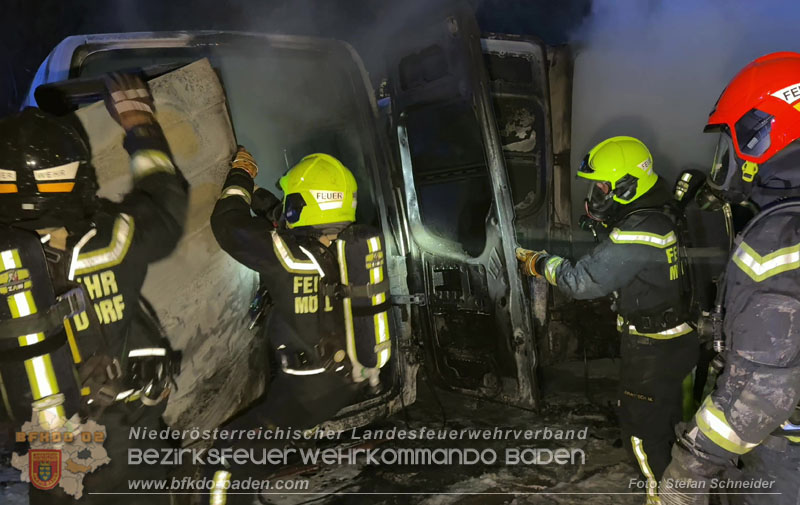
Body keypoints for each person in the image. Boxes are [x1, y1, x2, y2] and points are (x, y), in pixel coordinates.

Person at [0, 73, 188, 504]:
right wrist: (139, 123)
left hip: (47, 461)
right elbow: (166, 201)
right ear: (76, 176)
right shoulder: (114, 239)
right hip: (125, 446)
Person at [516, 136, 699, 504]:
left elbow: (583, 282)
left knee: (643, 435)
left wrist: (537, 263)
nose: (596, 192)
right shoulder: (660, 211)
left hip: (653, 350)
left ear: (628, 184)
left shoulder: (639, 229)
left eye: (603, 185)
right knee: (676, 425)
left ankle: (666, 499)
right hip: (678, 340)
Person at [659, 52, 800, 505]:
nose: (726, 157)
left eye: (732, 136)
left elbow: (765, 389)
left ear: (765, 134)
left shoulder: (781, 237)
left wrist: (690, 465)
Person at [210, 147, 378, 429]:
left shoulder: (289, 256)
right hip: (343, 378)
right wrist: (258, 194)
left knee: (231, 449)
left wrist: (241, 175)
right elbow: (286, 218)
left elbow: (227, 224)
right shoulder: (347, 247)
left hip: (306, 393)